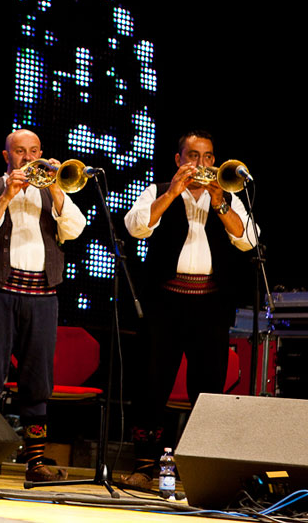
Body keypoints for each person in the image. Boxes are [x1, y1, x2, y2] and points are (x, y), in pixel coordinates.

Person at [121, 130, 258, 489]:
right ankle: (144, 467)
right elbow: (136, 228)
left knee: (208, 388)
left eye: (208, 156)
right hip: (165, 302)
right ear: (179, 159)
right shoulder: (157, 189)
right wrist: (171, 193)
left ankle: (199, 469)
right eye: (193, 156)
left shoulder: (226, 193)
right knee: (152, 384)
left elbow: (248, 240)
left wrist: (220, 202)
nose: (202, 163)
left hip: (210, 304)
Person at [0, 129, 87, 482]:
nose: (28, 158)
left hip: (43, 298)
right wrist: (6, 196)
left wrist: (57, 189)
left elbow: (75, 229)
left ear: (42, 153)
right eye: (20, 151)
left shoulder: (52, 191)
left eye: (34, 151)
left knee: (37, 384)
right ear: (7, 156)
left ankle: (36, 464)